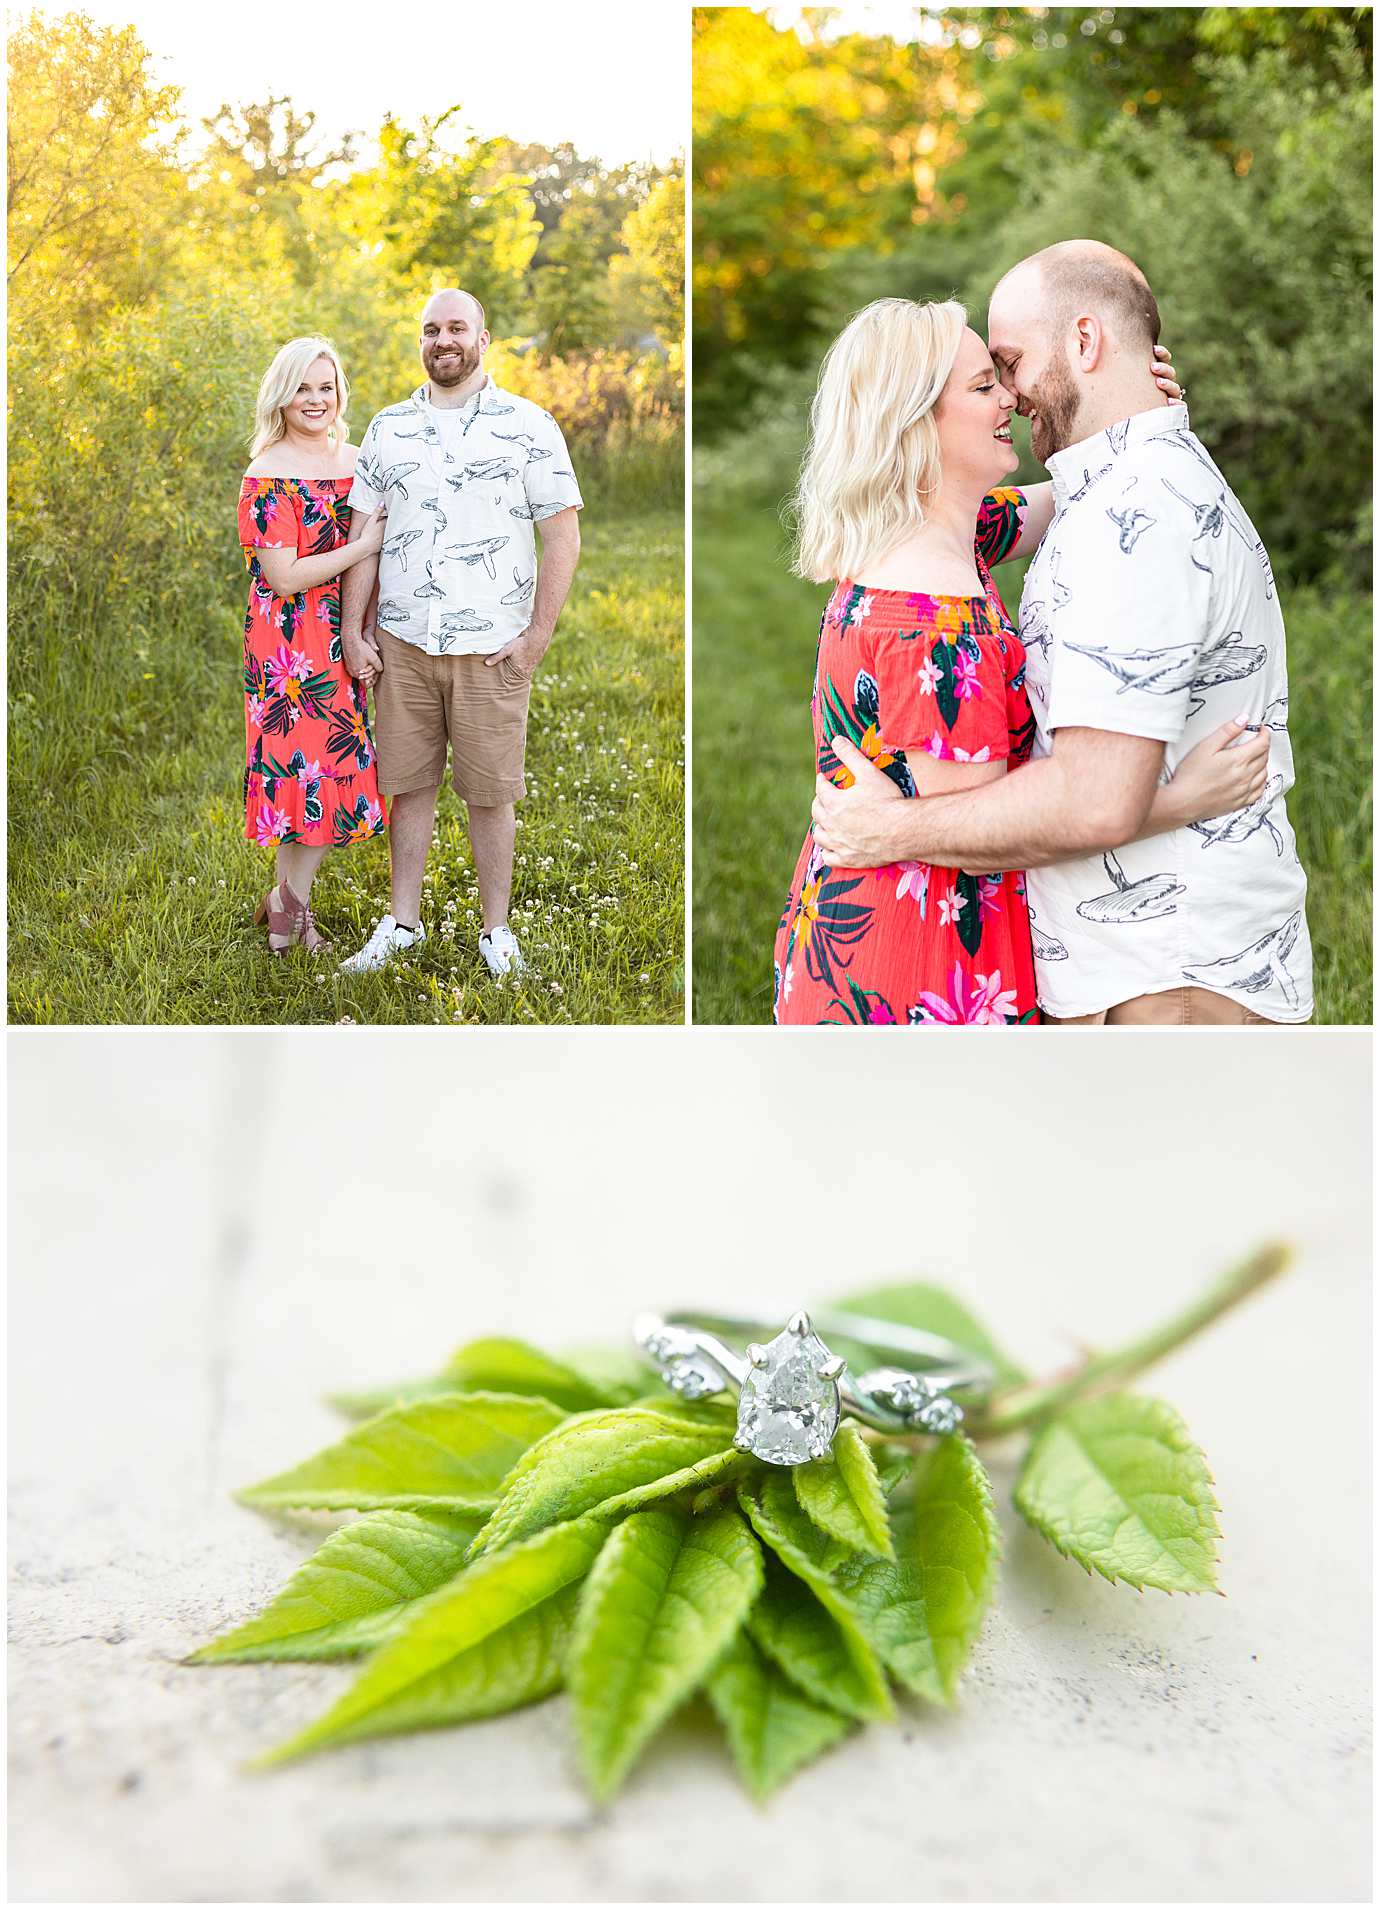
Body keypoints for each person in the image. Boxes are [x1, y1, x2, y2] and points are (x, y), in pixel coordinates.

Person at [811, 244, 1312, 1026]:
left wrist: (1137, 414)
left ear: (1084, 344)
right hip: (945, 959)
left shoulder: (1110, 515)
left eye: (1006, 365)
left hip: (1162, 965)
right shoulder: (936, 574)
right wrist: (1137, 417)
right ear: (915, 425)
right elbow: (983, 809)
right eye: (987, 380)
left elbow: (1092, 801)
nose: (1009, 394)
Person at [337, 287, 583, 977]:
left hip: (490, 647)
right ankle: (403, 923)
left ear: (483, 338)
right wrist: (356, 630)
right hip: (404, 643)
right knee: (407, 786)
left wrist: (535, 640)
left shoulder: (529, 425)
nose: (442, 340)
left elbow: (562, 537)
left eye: (455, 328)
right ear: (420, 342)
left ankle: (496, 933)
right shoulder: (388, 428)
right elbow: (365, 535)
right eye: (430, 330)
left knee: (489, 792)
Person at [238, 337, 387, 954]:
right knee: (304, 771)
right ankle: (290, 913)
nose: (316, 399)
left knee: (324, 771)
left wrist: (366, 625)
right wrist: (364, 546)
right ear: (282, 394)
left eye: (326, 387)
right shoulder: (266, 470)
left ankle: (286, 909)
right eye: (303, 388)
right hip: (286, 647)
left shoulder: (357, 462)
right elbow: (284, 575)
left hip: (341, 631)